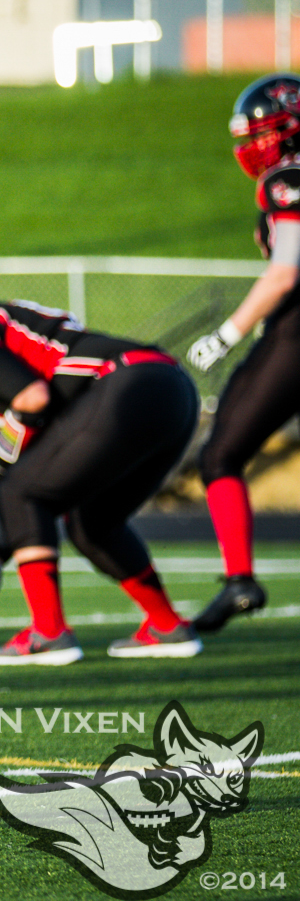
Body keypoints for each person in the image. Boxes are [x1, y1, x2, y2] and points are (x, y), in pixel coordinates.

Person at [0, 292, 203, 665]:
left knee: (24, 493)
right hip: (167, 393)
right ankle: (168, 626)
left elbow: (32, 398)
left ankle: (49, 633)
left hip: (128, 383)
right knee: (92, 524)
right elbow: (21, 466)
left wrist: (1, 461)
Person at [182, 73, 300, 632]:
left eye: (262, 134)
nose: (252, 147)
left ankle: (239, 581)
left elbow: (284, 274)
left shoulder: (288, 180)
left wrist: (226, 333)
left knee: (220, 455)